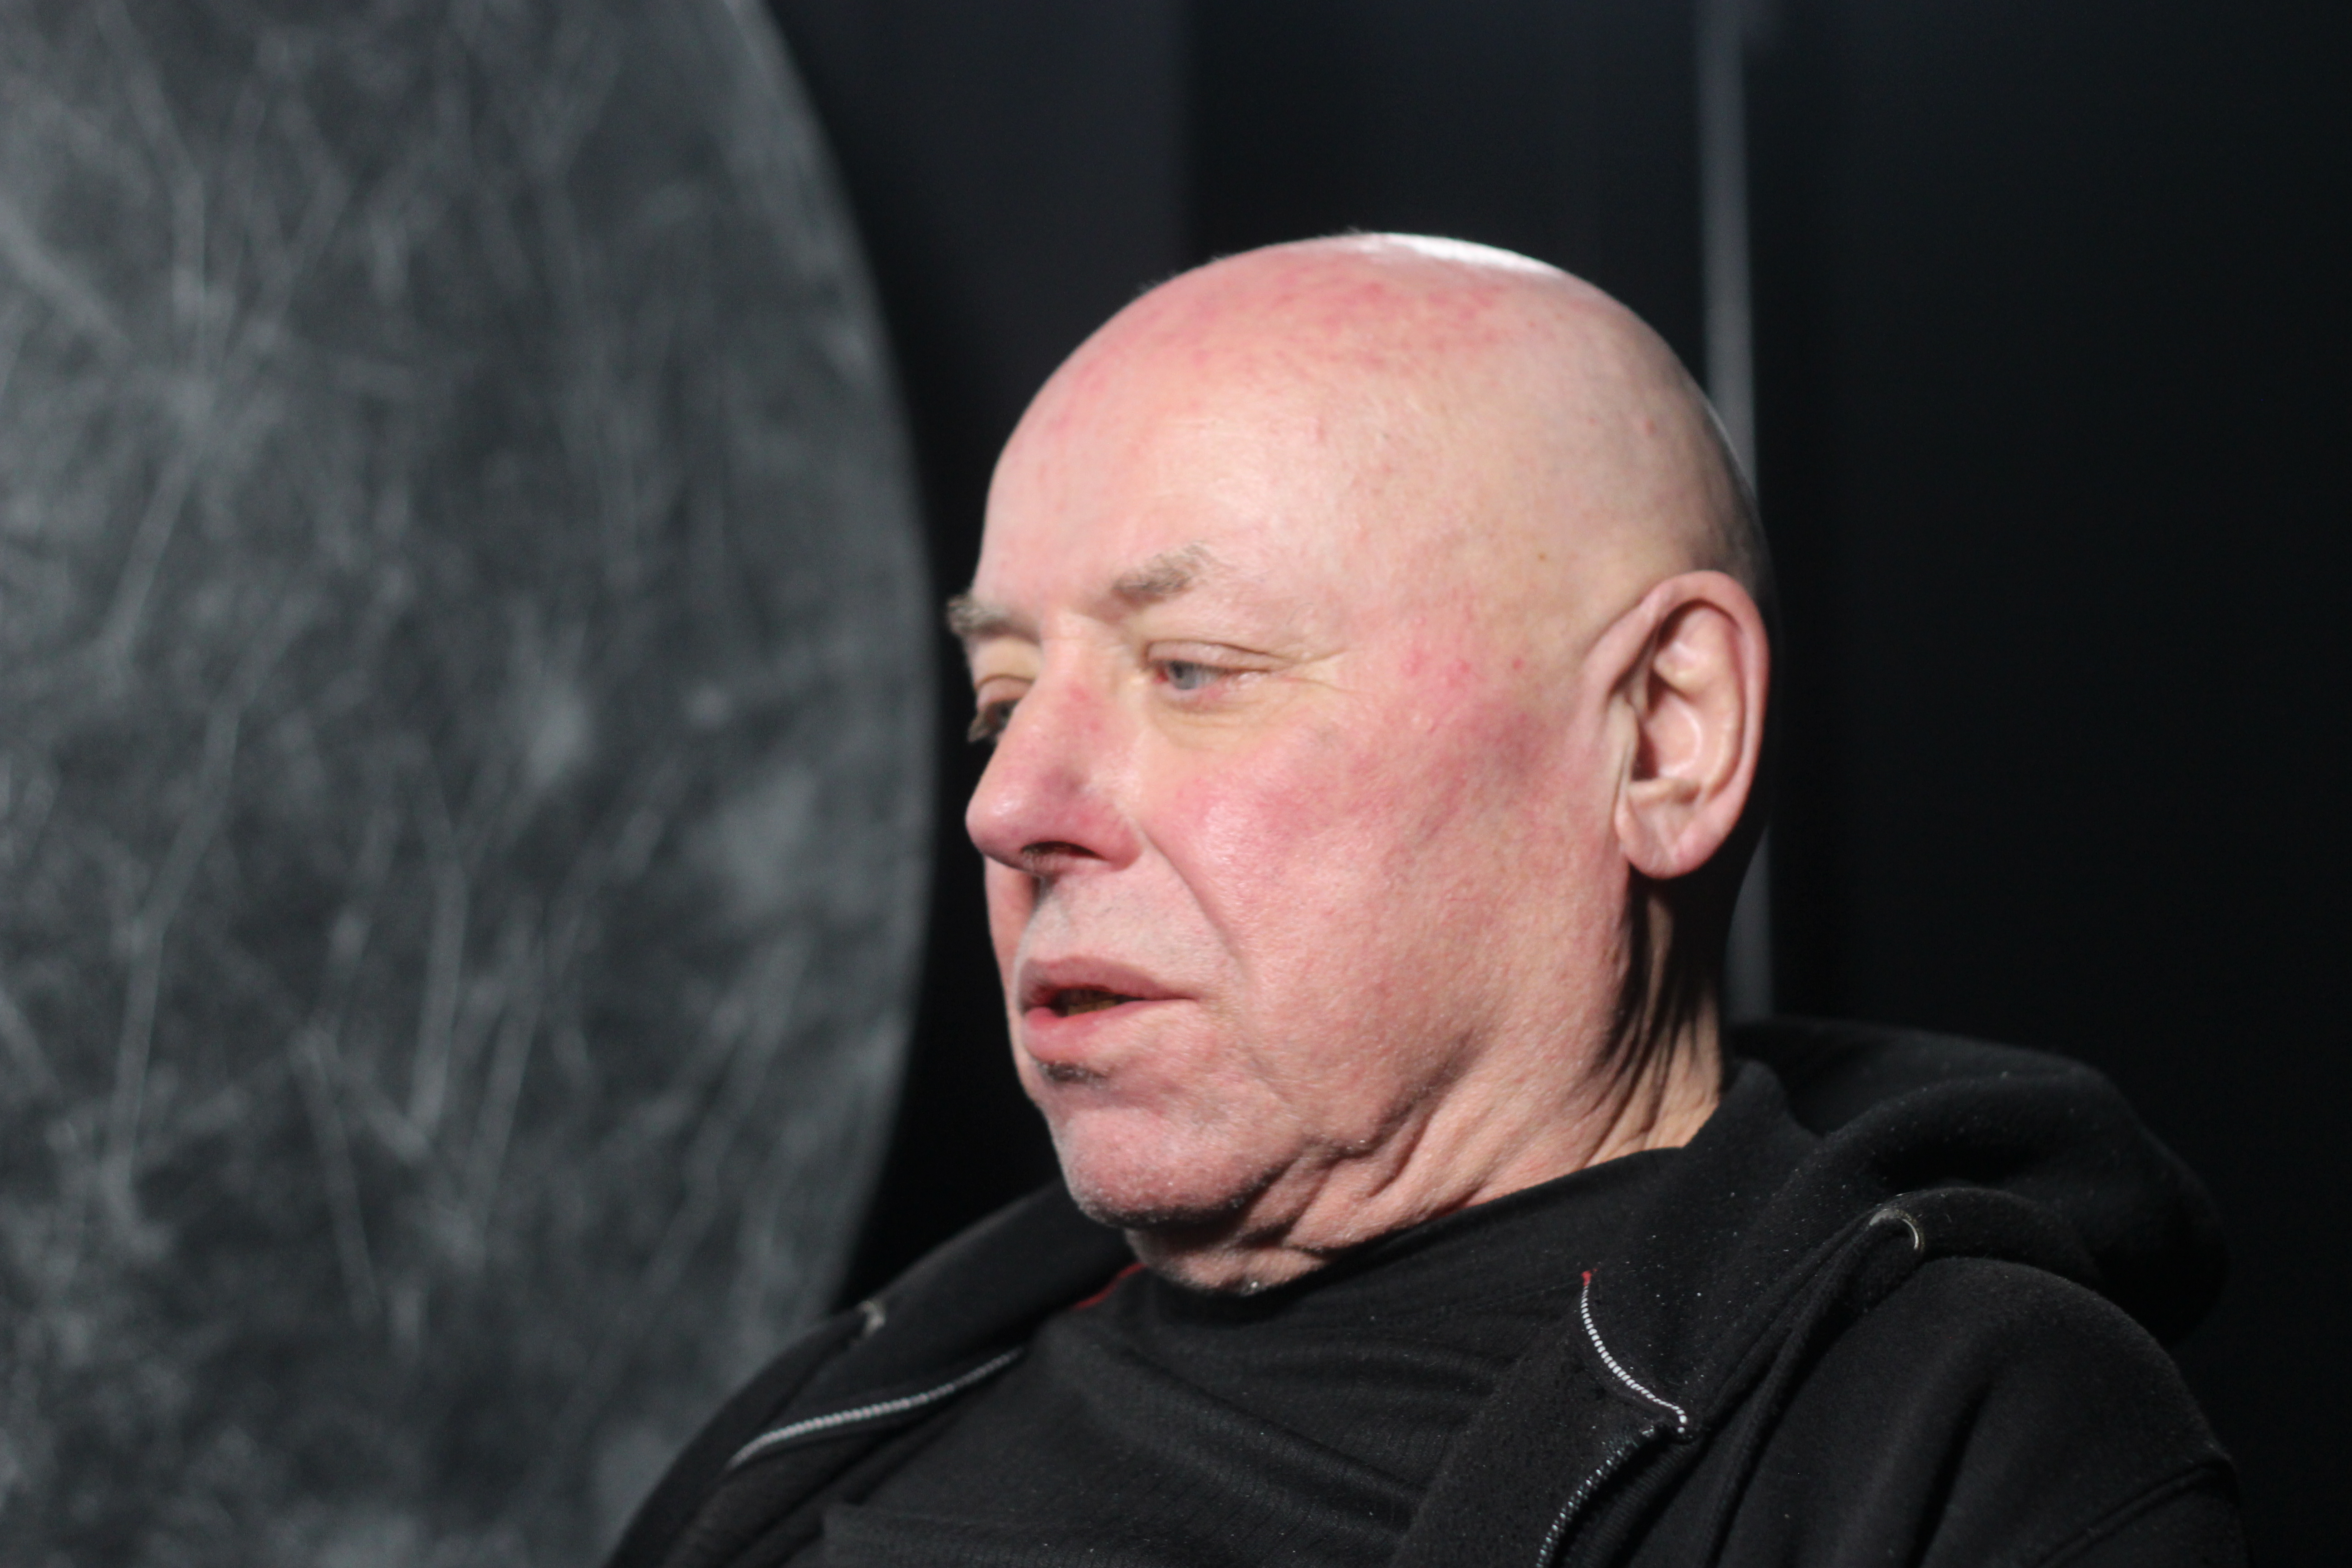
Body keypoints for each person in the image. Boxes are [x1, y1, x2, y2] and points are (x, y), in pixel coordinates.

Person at [608, 235, 2242, 1567]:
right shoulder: (827, 1419)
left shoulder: (1957, 1449)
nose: (1006, 806)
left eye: (1194, 670)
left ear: (1664, 736)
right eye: (1002, 698)